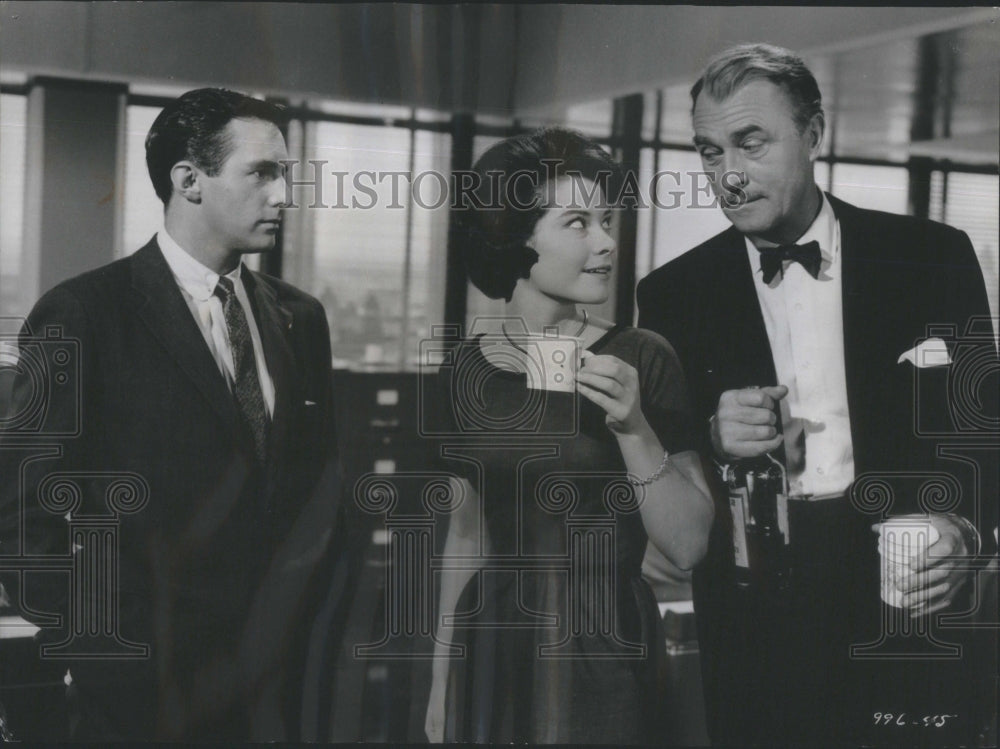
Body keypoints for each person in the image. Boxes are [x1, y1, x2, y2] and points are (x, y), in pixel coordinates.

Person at [636, 44, 997, 745]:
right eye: (710, 153)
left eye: (750, 143)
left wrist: (966, 532)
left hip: (909, 600)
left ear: (814, 133)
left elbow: (984, 429)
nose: (729, 176)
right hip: (756, 617)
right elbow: (656, 477)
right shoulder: (672, 294)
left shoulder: (932, 256)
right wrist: (711, 437)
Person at [0, 88, 344, 741]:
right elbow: (21, 515)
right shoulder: (86, 314)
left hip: (281, 690)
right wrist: (94, 645)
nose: (284, 196)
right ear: (189, 180)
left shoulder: (302, 318)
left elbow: (323, 495)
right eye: (262, 173)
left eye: (286, 174)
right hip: (140, 695)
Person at [423, 128, 714, 744]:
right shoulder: (463, 372)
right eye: (578, 223)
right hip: (494, 639)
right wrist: (442, 680)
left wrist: (635, 429)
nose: (606, 242)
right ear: (512, 236)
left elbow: (687, 544)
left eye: (605, 221)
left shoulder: (643, 356)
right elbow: (465, 531)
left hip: (606, 640)